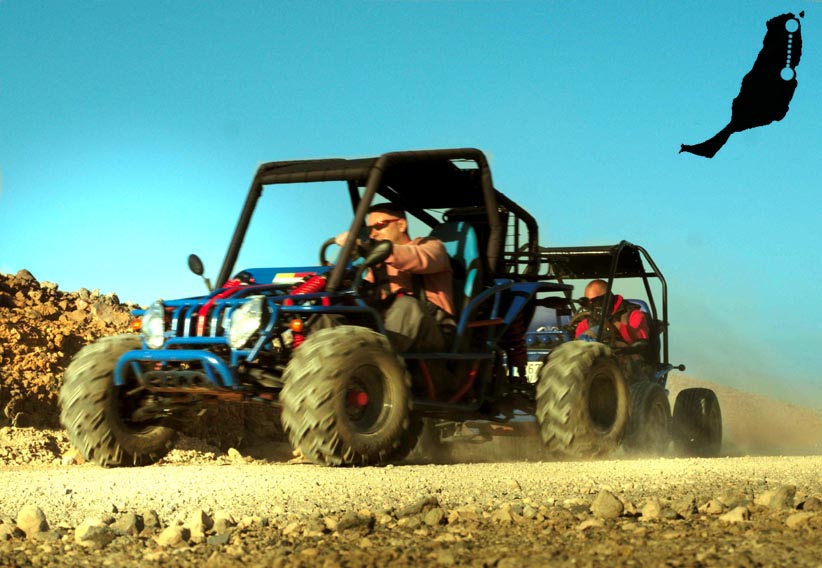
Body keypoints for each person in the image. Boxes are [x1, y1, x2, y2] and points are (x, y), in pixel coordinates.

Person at [336, 203, 456, 353]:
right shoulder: (378, 265)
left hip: (435, 329)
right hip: (390, 329)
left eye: (379, 225)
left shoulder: (431, 246)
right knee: (332, 309)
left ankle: (378, 366)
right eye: (369, 230)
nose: (373, 234)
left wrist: (372, 248)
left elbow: (419, 259)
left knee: (406, 304)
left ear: (401, 224)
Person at [574, 279, 650, 345]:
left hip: (624, 356)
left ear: (607, 298)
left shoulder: (633, 315)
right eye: (587, 303)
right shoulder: (586, 322)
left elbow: (641, 340)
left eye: (594, 301)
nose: (591, 306)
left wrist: (616, 327)